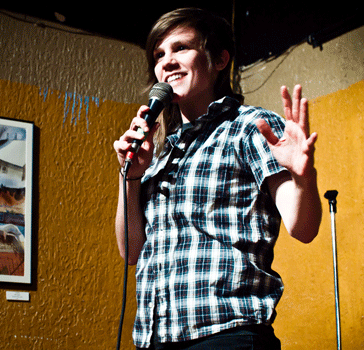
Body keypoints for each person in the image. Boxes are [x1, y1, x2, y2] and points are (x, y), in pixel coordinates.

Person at [113, 7, 322, 350]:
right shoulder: (160, 153)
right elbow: (131, 251)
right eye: (159, 54)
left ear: (220, 60)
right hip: (155, 340)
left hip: (226, 335)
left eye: (181, 48)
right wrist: (132, 176)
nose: (166, 61)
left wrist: (303, 177)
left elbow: (304, 227)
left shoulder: (250, 128)